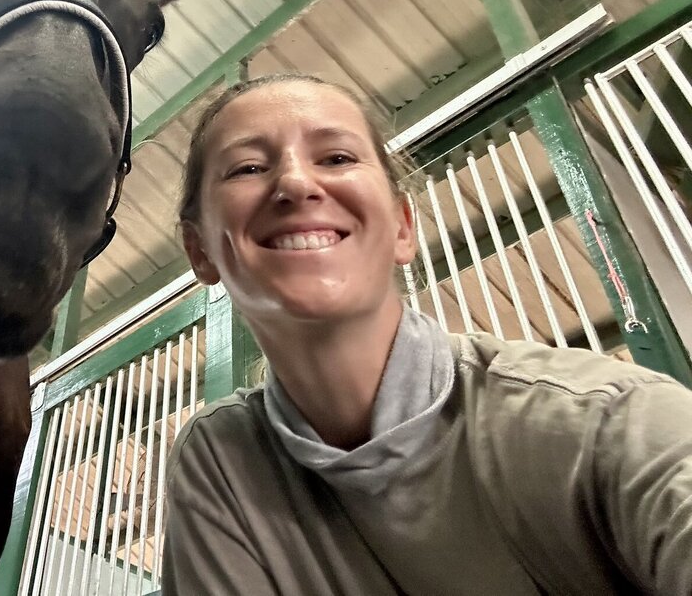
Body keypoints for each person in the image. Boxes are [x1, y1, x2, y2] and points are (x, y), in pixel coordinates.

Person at [161, 72, 692, 595]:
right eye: (249, 168)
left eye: (337, 158)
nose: (297, 183)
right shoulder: (222, 461)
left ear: (402, 226)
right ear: (199, 250)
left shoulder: (610, 423)